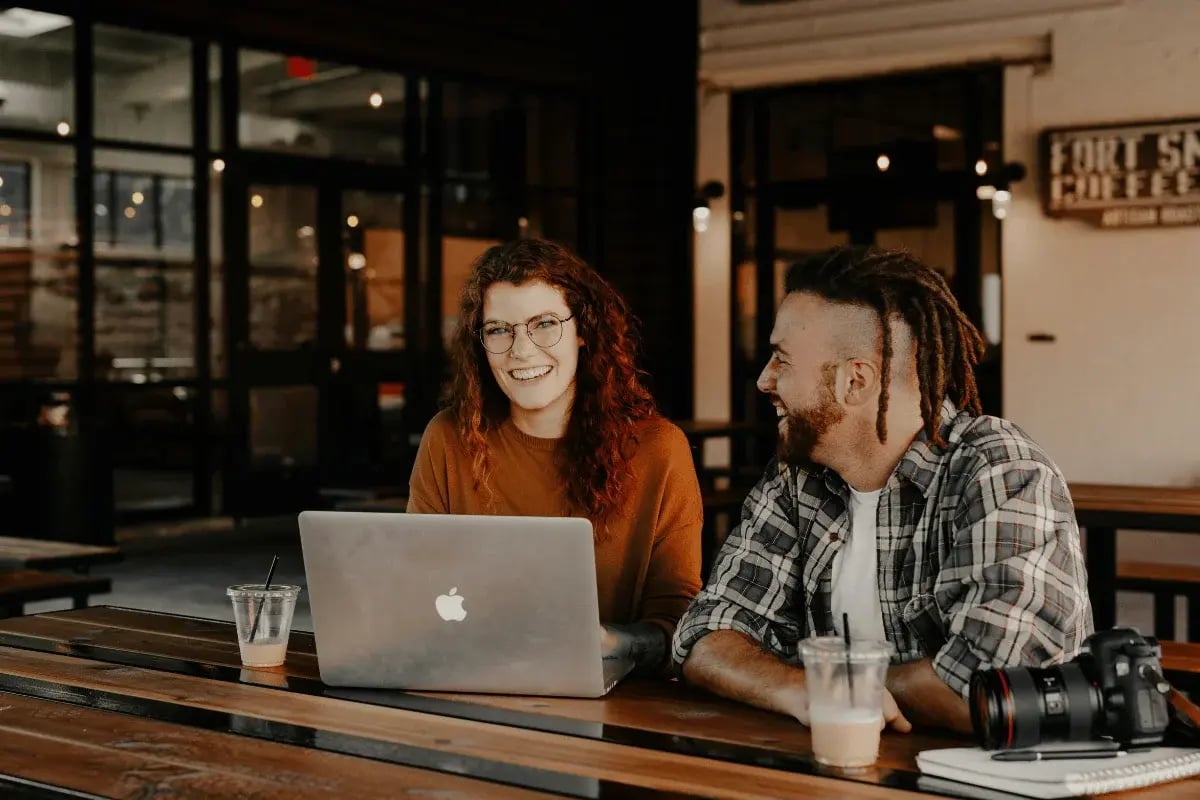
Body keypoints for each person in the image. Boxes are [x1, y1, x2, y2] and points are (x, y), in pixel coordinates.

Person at [670, 244, 1092, 733]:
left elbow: (990, 686)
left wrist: (829, 685)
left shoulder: (1000, 470)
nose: (764, 379)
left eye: (782, 360)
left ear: (856, 381)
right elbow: (705, 635)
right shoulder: (798, 476)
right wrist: (795, 689)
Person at [408, 238, 703, 676]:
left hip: (611, 703)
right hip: (465, 681)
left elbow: (678, 622)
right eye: (498, 330)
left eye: (544, 324)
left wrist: (607, 642)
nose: (521, 350)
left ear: (583, 331)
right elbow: (411, 589)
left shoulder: (659, 449)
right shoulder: (448, 438)